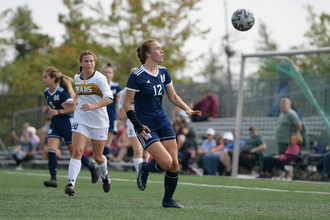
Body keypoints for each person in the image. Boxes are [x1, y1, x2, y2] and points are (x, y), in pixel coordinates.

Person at [123, 39, 201, 208]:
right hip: (146, 126)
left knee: (174, 164)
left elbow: (173, 97)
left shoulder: (164, 72)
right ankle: (144, 168)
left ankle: (167, 200)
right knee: (165, 163)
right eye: (158, 48)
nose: (162, 51)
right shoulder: (136, 76)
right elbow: (126, 104)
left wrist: (187, 109)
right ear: (148, 54)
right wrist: (137, 125)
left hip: (163, 122)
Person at [62, 51, 114, 196]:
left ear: (94, 62)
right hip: (81, 119)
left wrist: (93, 106)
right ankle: (71, 184)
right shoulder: (77, 77)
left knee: (98, 157)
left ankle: (105, 175)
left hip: (99, 121)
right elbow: (78, 92)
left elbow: (109, 98)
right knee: (77, 151)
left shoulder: (100, 78)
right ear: (81, 63)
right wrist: (73, 102)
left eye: (91, 61)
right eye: (86, 61)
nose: (89, 64)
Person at [42, 66, 99, 188]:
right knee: (51, 149)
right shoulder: (46, 92)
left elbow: (73, 107)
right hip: (55, 124)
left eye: (45, 77)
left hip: (67, 123)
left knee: (74, 152)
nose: (43, 79)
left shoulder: (62, 92)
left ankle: (91, 167)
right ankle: (53, 179)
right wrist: (49, 110)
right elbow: (55, 107)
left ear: (53, 79)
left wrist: (58, 112)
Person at [118, 84, 149, 174]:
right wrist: (129, 115)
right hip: (132, 123)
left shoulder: (145, 88)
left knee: (145, 152)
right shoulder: (126, 90)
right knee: (138, 150)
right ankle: (141, 175)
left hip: (145, 121)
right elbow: (120, 105)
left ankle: (145, 171)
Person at [102, 61, 122, 165]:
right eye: (105, 72)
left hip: (111, 116)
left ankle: (105, 171)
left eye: (109, 72)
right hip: (100, 116)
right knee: (100, 144)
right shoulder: (99, 86)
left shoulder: (116, 86)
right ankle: (102, 168)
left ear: (112, 74)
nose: (107, 74)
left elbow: (121, 99)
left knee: (107, 144)